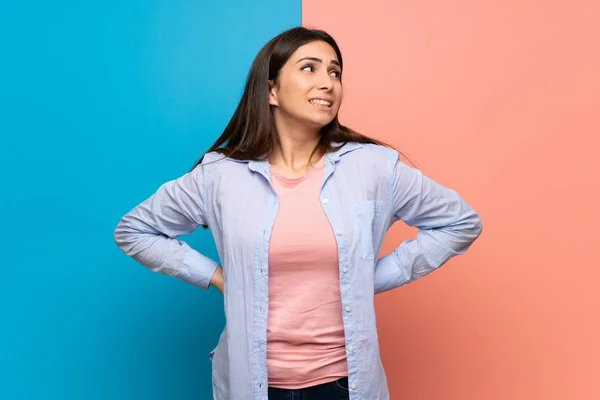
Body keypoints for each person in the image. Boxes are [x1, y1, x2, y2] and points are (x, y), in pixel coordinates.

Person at [113, 26, 482, 400]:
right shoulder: (220, 175)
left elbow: (460, 222)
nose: (328, 83)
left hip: (345, 385)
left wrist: (372, 275)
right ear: (271, 90)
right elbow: (134, 231)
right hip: (252, 385)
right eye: (310, 68)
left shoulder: (373, 167)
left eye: (334, 72)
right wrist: (216, 276)